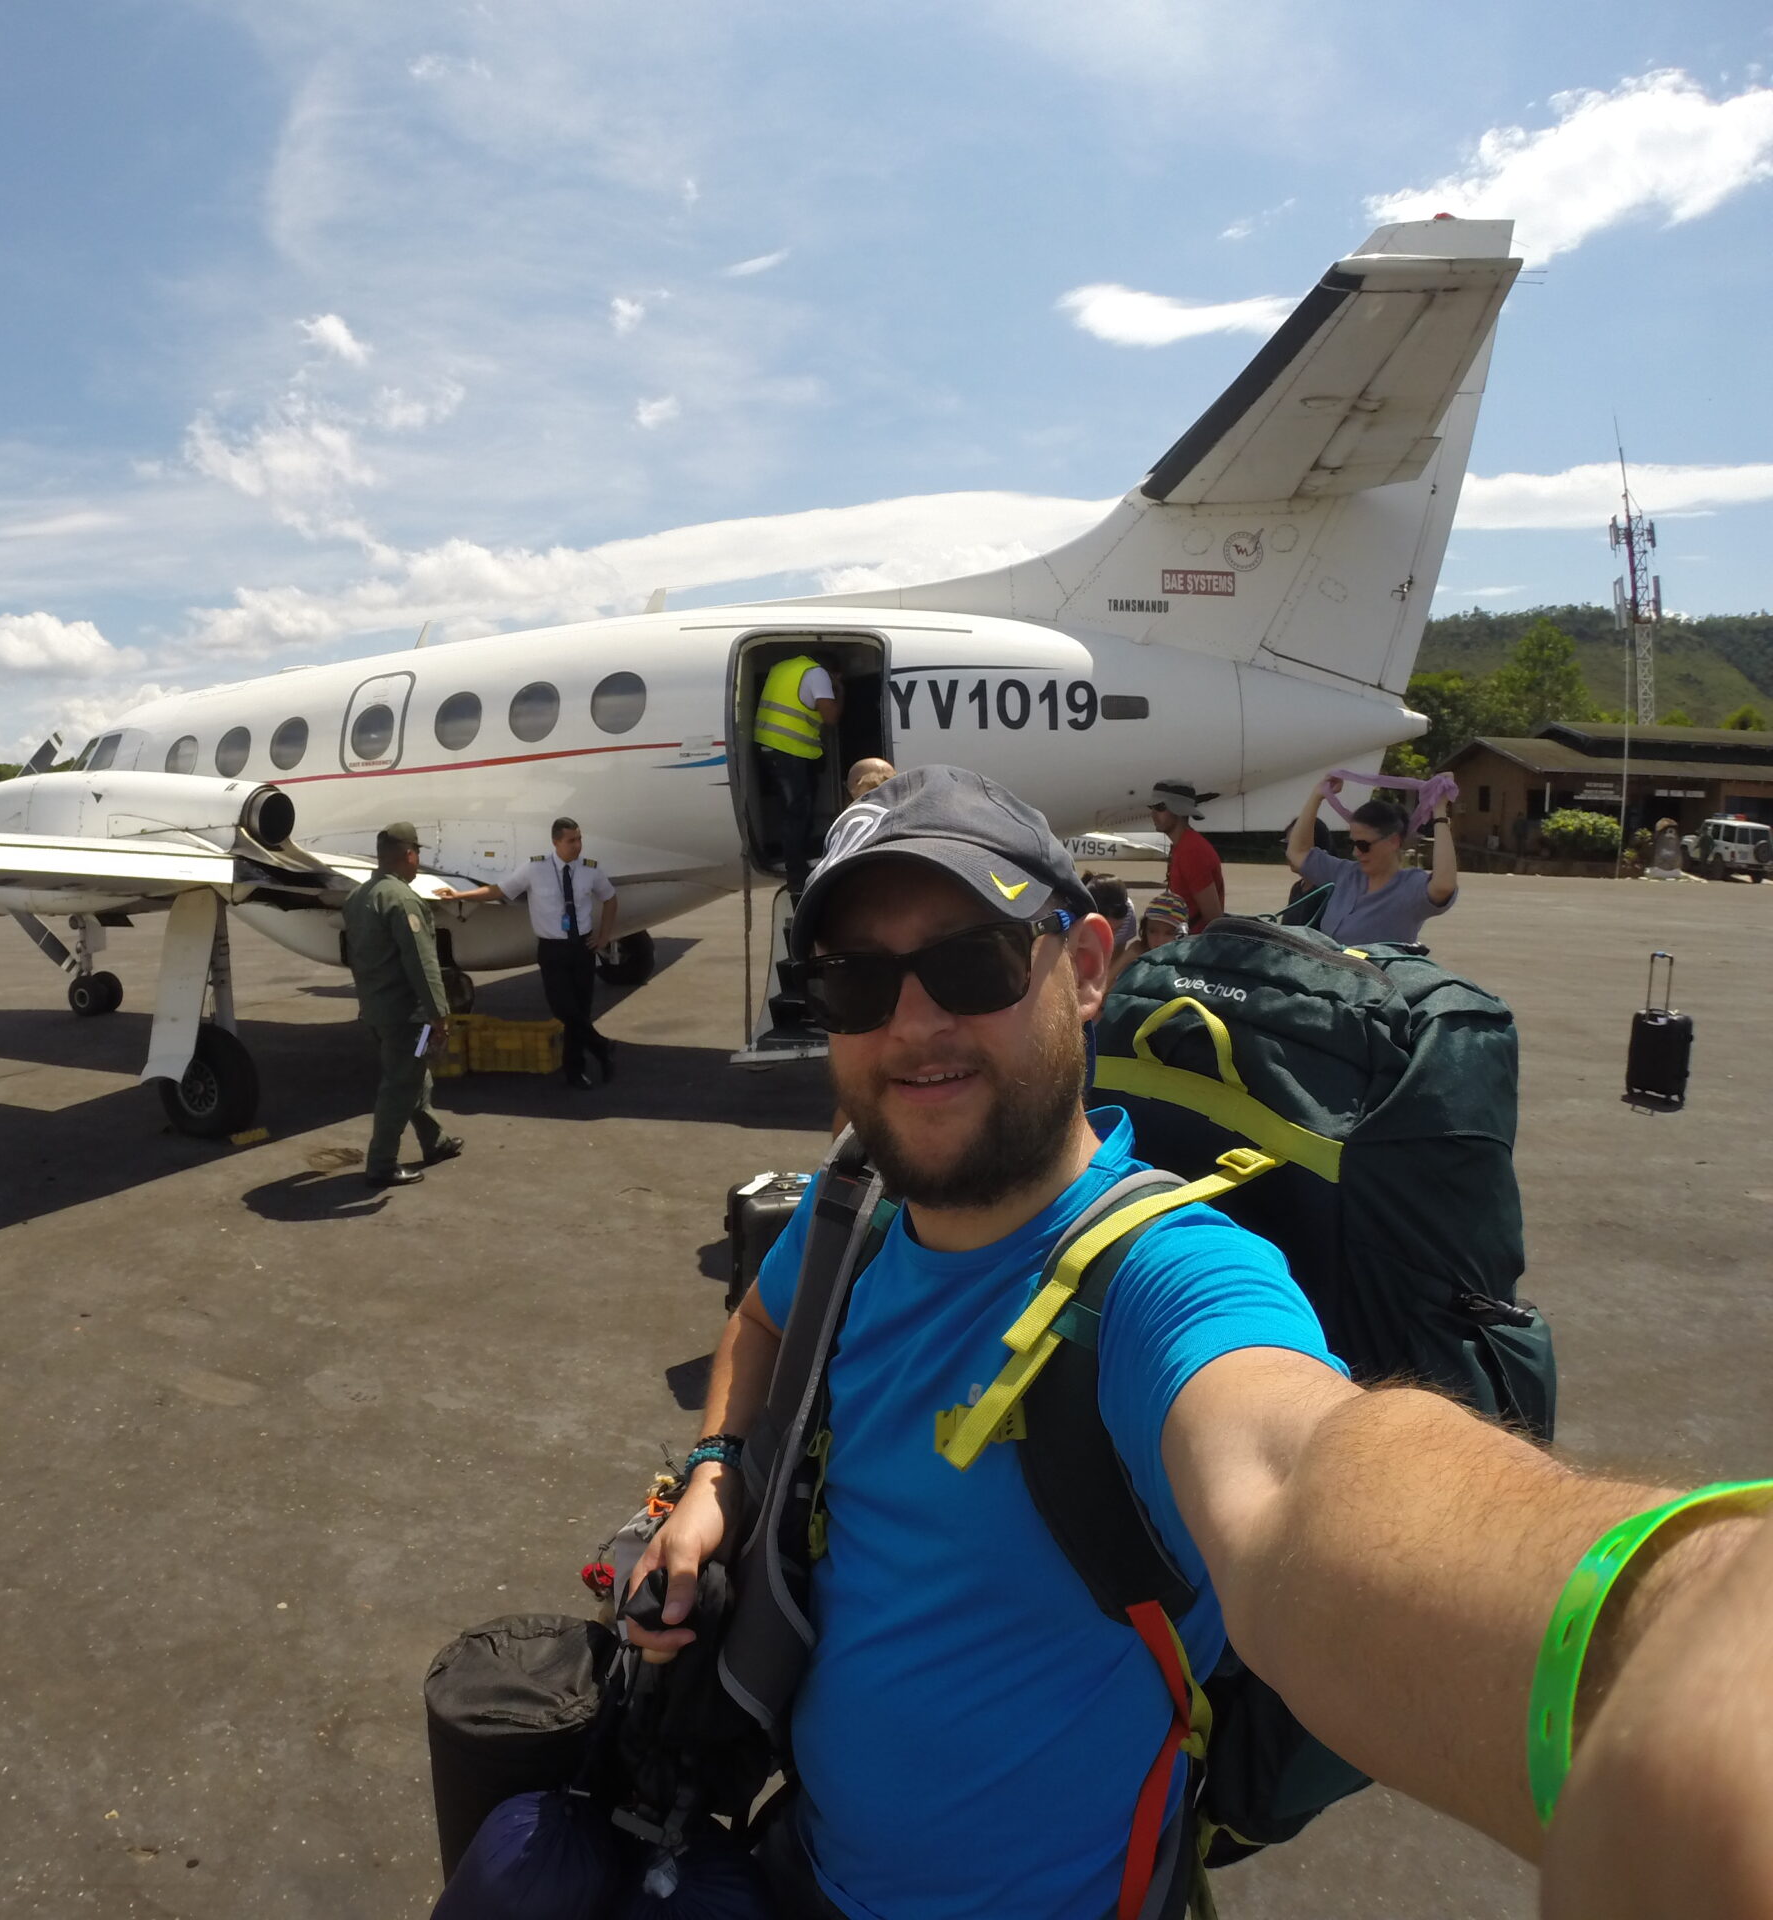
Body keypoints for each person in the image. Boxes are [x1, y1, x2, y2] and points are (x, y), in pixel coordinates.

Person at [624, 767, 1767, 1920]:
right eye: (854, 983)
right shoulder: (854, 1212)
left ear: (1081, 969)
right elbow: (765, 1318)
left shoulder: (1164, 1280)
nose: (911, 1025)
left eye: (967, 962)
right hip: (800, 1867)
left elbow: (1296, 1481)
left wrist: (1682, 1654)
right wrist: (718, 1467)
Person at [440, 817, 619, 1089]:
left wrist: (605, 935)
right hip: (552, 949)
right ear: (556, 842)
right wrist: (459, 895)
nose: (577, 845)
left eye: (579, 839)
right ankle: (601, 1046)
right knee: (563, 1009)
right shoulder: (535, 869)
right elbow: (499, 890)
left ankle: (575, 1072)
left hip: (582, 948)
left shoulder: (590, 870)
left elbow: (610, 898)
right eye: (571, 840)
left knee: (580, 1012)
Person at [342, 822, 461, 1189]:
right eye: (417, 855)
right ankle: (381, 1163)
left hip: (376, 1012)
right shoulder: (403, 900)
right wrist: (440, 1015)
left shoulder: (358, 897)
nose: (418, 862)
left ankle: (435, 1142)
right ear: (409, 855)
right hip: (408, 1018)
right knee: (400, 1084)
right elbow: (423, 965)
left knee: (414, 1075)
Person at [1284, 778, 1457, 944]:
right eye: (1352, 843)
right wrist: (1317, 795)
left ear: (1393, 842)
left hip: (1379, 974)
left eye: (1363, 845)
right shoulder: (1345, 873)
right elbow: (1298, 852)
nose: (1356, 852)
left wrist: (1440, 814)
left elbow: (1444, 885)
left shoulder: (1410, 887)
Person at [754, 651, 841, 896]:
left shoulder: (782, 667)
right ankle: (796, 873)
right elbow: (831, 717)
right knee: (796, 810)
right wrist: (840, 689)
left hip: (770, 745)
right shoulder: (818, 675)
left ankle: (798, 857)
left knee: (793, 808)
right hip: (788, 749)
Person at [1147, 780, 1224, 928]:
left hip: (1192, 944)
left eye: (1160, 807)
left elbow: (1213, 918)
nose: (1153, 814)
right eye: (1152, 807)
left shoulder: (1192, 851)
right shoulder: (1183, 845)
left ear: (1179, 810)